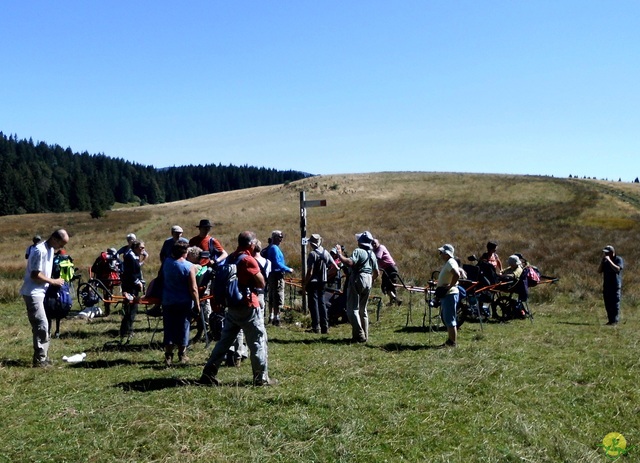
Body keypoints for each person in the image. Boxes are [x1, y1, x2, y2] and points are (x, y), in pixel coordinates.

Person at [199, 231, 277, 387]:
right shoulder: (248, 260)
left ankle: (208, 373)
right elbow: (261, 283)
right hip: (248, 305)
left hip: (233, 306)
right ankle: (261, 378)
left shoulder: (231, 257)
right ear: (250, 244)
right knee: (257, 342)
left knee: (224, 342)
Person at [20, 229, 69, 367]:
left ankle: (43, 357)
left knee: (44, 325)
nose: (62, 247)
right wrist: (53, 281)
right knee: (41, 325)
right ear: (54, 239)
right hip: (33, 293)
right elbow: (35, 274)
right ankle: (40, 360)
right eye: (61, 244)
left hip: (42, 292)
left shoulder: (51, 250)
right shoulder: (39, 250)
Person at [335, 231, 379, 343]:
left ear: (361, 242)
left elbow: (350, 262)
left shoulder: (358, 251)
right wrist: (371, 280)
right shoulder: (372, 254)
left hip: (358, 278)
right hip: (369, 279)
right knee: (363, 309)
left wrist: (340, 255)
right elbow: (377, 273)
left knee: (352, 309)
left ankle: (360, 334)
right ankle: (363, 336)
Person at [189, 219, 229, 340]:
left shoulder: (212, 241)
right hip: (194, 272)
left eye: (208, 228)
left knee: (205, 301)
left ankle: (206, 328)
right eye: (205, 228)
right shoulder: (193, 241)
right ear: (199, 228)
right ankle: (202, 328)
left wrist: (215, 261)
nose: (207, 230)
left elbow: (224, 254)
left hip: (207, 274)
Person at [162, 240, 199, 366]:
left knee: (169, 327)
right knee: (183, 327)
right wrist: (197, 304)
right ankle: (182, 354)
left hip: (168, 300)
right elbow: (193, 288)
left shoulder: (167, 263)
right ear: (184, 252)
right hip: (183, 301)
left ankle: (168, 355)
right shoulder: (189, 266)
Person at [303, 234, 338, 334]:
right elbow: (335, 267)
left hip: (313, 282)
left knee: (313, 304)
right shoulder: (326, 253)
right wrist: (326, 274)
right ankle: (325, 326)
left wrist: (305, 283)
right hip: (323, 282)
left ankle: (316, 326)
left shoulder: (312, 254)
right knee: (322, 303)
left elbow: (310, 271)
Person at [119, 240, 146, 344]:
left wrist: (141, 281)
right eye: (141, 248)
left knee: (133, 309)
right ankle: (125, 331)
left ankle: (128, 329)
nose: (143, 250)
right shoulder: (130, 257)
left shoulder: (134, 256)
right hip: (129, 287)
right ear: (135, 248)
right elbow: (130, 273)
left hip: (134, 286)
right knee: (129, 309)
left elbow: (137, 272)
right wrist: (137, 282)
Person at [435, 244, 461, 348]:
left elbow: (456, 274)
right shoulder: (449, 263)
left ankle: (452, 342)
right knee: (448, 318)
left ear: (446, 254)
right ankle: (450, 341)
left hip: (450, 293)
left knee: (450, 319)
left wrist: (450, 286)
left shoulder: (450, 262)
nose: (440, 254)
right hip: (447, 294)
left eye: (441, 252)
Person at [266, 230, 293, 326]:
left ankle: (272, 316)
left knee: (273, 295)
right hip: (276, 275)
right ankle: (276, 318)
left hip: (273, 274)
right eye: (279, 237)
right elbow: (277, 263)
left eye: (281, 237)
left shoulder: (273, 248)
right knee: (277, 295)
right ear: (274, 238)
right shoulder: (274, 248)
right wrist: (287, 269)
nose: (281, 240)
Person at [372, 238, 403, 306]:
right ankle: (393, 302)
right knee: (386, 286)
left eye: (375, 243)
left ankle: (396, 300)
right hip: (386, 269)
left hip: (390, 268)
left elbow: (378, 257)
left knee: (388, 286)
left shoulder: (381, 248)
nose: (373, 245)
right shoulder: (374, 250)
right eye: (372, 244)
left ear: (378, 243)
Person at [598, 245, 624, 325]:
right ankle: (610, 320)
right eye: (605, 253)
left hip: (615, 285)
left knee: (615, 303)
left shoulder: (618, 259)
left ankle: (615, 320)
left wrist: (610, 261)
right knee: (608, 303)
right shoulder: (605, 261)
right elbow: (599, 271)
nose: (606, 255)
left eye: (607, 253)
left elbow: (617, 269)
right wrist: (602, 262)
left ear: (612, 253)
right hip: (607, 285)